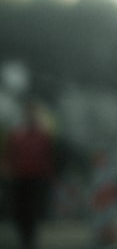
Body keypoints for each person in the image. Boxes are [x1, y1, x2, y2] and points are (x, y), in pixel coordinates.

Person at [3, 101, 55, 249]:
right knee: (20, 211)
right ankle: (24, 237)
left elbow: (48, 156)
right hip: (19, 177)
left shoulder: (43, 135)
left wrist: (48, 176)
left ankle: (30, 239)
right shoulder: (17, 134)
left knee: (32, 210)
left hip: (36, 178)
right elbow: (9, 154)